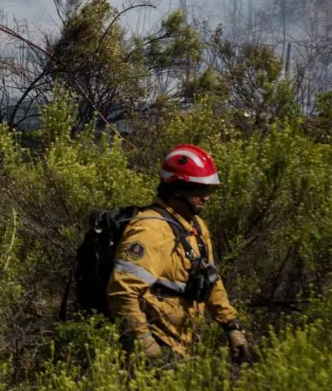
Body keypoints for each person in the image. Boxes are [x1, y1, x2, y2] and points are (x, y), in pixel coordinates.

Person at [106, 144, 250, 363]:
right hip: (159, 343)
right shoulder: (150, 229)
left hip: (185, 343)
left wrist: (231, 327)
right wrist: (144, 341)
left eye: (208, 190)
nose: (206, 198)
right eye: (199, 190)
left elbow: (211, 279)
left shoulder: (197, 227)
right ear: (179, 189)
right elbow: (122, 291)